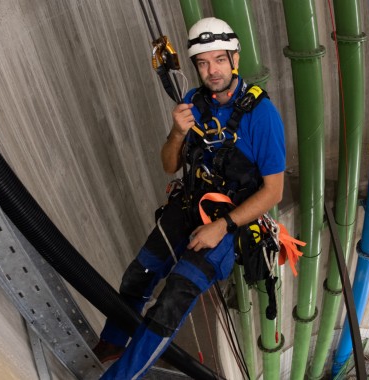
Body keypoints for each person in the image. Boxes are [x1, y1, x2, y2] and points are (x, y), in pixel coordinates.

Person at [94, 17, 286, 379]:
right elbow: (169, 164)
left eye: (218, 60)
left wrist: (222, 227)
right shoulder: (193, 101)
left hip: (227, 225)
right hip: (187, 206)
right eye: (202, 63)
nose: (211, 70)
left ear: (235, 59)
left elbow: (274, 191)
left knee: (172, 301)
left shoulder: (262, 117)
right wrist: (177, 133)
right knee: (138, 277)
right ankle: (112, 342)